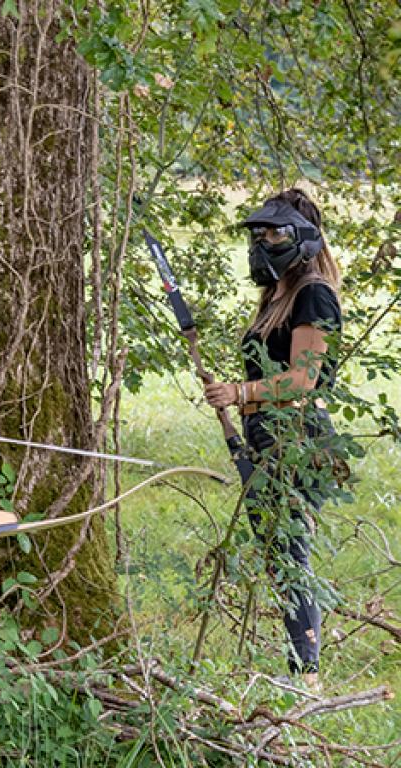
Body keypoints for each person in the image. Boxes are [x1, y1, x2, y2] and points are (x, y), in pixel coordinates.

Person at [204, 188, 342, 688]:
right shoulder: (277, 294)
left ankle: (306, 675)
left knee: (290, 552)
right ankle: (298, 663)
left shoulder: (313, 293)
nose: (263, 241)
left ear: (301, 237)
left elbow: (304, 379)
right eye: (259, 232)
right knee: (277, 552)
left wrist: (239, 392)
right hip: (266, 433)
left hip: (298, 437)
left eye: (274, 232)